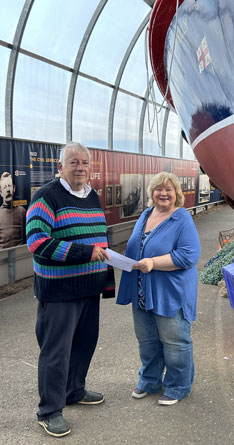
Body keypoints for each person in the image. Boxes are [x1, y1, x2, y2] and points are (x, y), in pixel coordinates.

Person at [26, 141, 115, 438]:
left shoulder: (92, 197)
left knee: (85, 343)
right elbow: (37, 243)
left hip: (89, 288)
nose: (80, 167)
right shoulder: (46, 197)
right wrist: (84, 253)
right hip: (60, 291)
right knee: (56, 352)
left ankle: (74, 390)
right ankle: (49, 410)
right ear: (60, 166)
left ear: (91, 169)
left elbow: (98, 238)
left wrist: (106, 275)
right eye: (73, 162)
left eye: (85, 163)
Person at [117, 172, 201, 406]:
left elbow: (189, 256)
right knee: (147, 340)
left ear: (177, 194)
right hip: (142, 291)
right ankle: (150, 380)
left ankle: (178, 386)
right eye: (158, 189)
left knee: (174, 341)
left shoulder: (181, 219)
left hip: (170, 293)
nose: (163, 193)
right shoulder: (146, 214)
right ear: (151, 193)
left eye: (169, 189)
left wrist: (153, 263)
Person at [0, 171, 26, 248]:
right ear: (1, 192)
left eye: (9, 186)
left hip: (20, 256)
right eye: (5, 187)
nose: (8, 189)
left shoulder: (22, 211)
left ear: (14, 189)